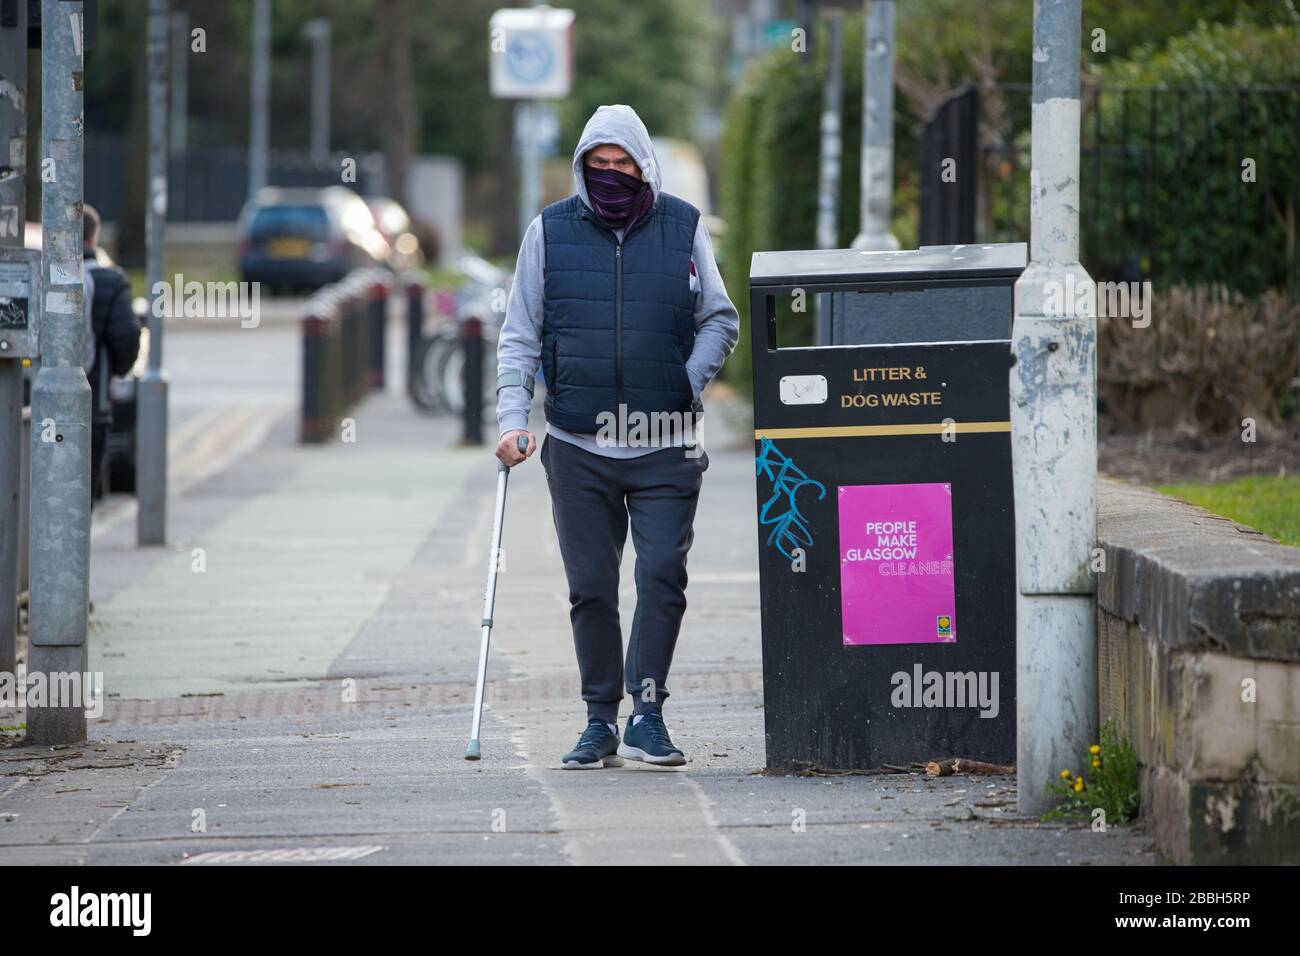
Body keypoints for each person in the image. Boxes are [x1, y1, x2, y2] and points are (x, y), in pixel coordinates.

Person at [494, 105, 739, 769]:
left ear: (643, 166)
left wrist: (680, 384)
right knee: (592, 587)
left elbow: (721, 319)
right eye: (596, 165)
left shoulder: (684, 227)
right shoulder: (548, 232)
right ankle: (600, 719)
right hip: (578, 446)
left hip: (665, 442)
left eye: (621, 164)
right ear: (581, 167)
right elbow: (519, 333)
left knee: (662, 574)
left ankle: (648, 714)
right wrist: (512, 420)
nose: (608, 175)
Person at [83, 205, 142, 503]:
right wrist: (117, 372)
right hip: (94, 404)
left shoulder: (42, 276)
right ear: (94, 238)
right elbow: (126, 337)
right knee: (84, 495)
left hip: (32, 407)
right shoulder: (112, 280)